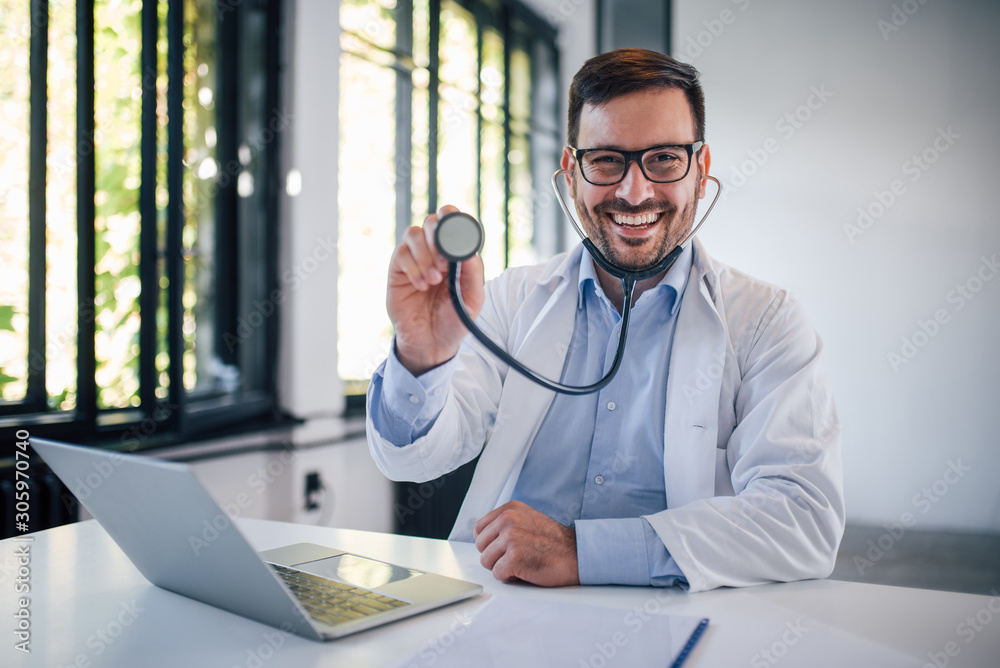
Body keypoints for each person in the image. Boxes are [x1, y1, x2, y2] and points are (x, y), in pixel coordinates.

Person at [365, 48, 844, 592]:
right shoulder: (508, 302)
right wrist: (423, 352)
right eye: (606, 160)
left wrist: (581, 552)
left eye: (664, 158)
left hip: (680, 620)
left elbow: (803, 520)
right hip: (510, 618)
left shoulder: (768, 322)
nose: (633, 192)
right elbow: (413, 461)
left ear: (701, 169)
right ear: (571, 173)